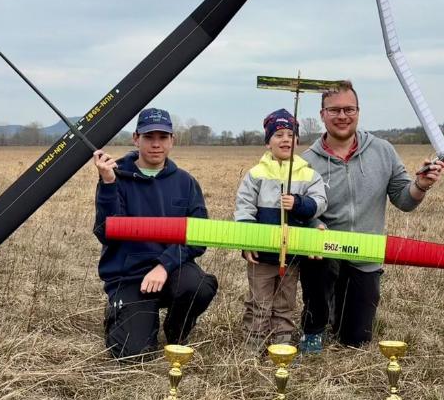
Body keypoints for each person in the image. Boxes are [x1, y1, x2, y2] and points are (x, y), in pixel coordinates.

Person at [298, 80, 444, 353]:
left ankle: (340, 309)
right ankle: (314, 324)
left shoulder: (383, 150)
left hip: (365, 258)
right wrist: (314, 224)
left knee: (355, 339)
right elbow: (302, 211)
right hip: (324, 255)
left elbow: (404, 199)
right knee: (318, 265)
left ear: (358, 111)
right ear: (322, 115)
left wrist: (421, 185)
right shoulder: (307, 162)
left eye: (349, 109)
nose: (343, 116)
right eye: (335, 110)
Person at [92, 108, 218, 358]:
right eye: (149, 137)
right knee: (132, 354)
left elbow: (198, 235)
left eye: (163, 137)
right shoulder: (114, 178)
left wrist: (164, 265)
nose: (156, 144)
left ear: (172, 140)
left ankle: (176, 329)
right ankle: (119, 313)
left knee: (199, 286)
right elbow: (105, 232)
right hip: (130, 275)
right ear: (136, 139)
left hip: (171, 269)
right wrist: (107, 184)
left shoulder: (186, 182)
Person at [234, 109, 327, 351]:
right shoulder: (256, 175)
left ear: (297, 140)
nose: (285, 139)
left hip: (292, 255)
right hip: (261, 258)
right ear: (267, 142)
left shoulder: (308, 174)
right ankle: (253, 346)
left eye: (290, 134)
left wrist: (298, 203)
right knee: (259, 302)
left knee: (285, 302)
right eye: (278, 135)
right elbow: (244, 210)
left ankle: (281, 345)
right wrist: (247, 242)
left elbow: (319, 203)